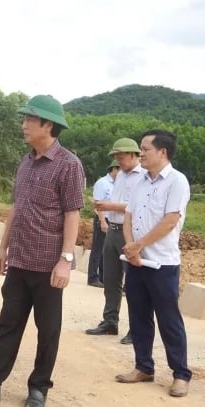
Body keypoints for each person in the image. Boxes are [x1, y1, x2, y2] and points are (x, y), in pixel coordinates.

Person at [0, 95, 85, 407]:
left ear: (48, 125)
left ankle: (38, 388)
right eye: (23, 119)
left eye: (29, 119)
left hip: (49, 265)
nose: (23, 125)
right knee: (7, 325)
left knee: (47, 330)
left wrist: (66, 259)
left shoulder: (69, 164)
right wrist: (3, 247)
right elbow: (17, 208)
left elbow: (72, 214)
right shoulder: (25, 162)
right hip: (19, 261)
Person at [115, 129, 192, 398]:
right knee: (138, 316)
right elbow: (128, 217)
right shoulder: (140, 183)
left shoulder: (177, 182)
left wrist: (139, 245)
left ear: (163, 152)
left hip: (162, 264)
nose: (142, 153)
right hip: (135, 261)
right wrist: (131, 247)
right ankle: (143, 367)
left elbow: (170, 221)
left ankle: (181, 374)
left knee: (169, 320)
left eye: (146, 148)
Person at [85, 138, 146, 345]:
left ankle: (137, 328)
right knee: (111, 279)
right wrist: (105, 207)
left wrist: (109, 205)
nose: (117, 160)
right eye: (115, 156)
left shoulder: (145, 177)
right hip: (112, 229)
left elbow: (136, 206)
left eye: (120, 156)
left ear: (133, 154)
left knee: (134, 283)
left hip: (130, 233)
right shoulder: (120, 176)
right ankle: (110, 320)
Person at [87, 159, 119, 288]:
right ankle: (92, 277)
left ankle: (102, 277)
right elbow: (97, 204)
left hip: (112, 219)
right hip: (102, 218)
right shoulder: (103, 183)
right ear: (115, 169)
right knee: (98, 248)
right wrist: (102, 221)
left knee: (106, 250)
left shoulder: (117, 184)